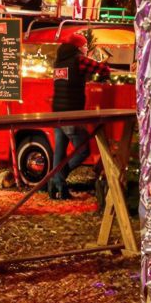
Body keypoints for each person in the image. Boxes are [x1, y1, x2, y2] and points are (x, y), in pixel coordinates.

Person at [50, 35, 110, 200]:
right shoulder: (79, 60)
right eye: (84, 46)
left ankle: (57, 186)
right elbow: (102, 69)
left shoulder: (59, 61)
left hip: (57, 113)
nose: (85, 49)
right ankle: (57, 178)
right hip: (72, 114)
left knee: (59, 153)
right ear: (79, 47)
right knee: (83, 150)